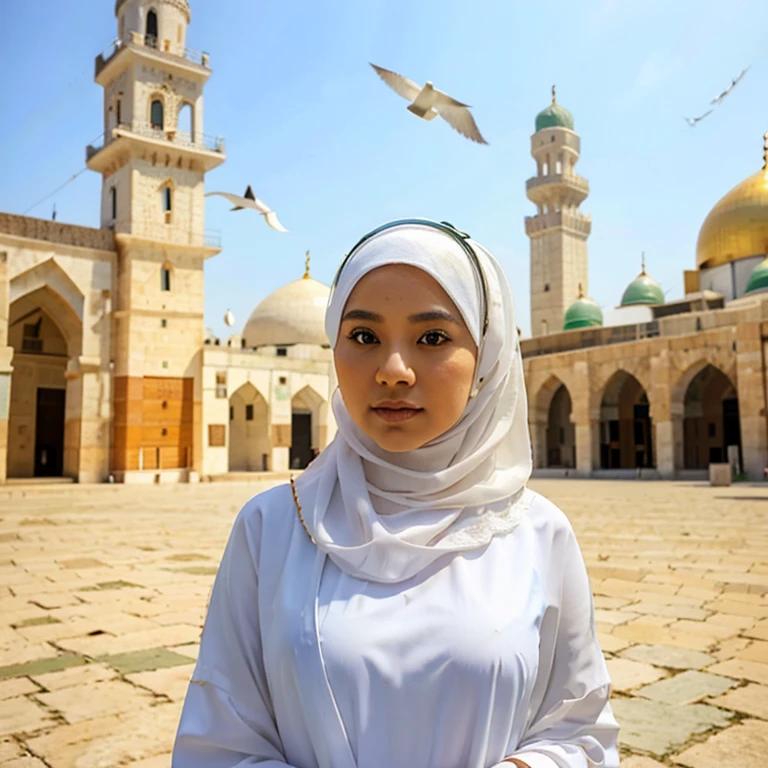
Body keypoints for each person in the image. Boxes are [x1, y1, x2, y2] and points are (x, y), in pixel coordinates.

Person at [172, 220, 619, 768]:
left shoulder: (538, 533)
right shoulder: (272, 527)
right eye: (364, 337)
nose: (393, 371)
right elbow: (218, 745)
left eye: (433, 338)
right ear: (333, 347)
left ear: (487, 356)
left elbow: (580, 732)